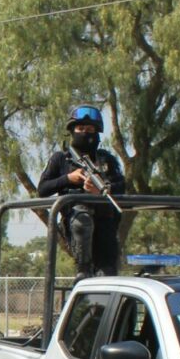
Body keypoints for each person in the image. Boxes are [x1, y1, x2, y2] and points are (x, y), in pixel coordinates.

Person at [37, 104, 126, 280]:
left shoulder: (106, 159)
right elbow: (43, 189)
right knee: (82, 220)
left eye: (90, 129)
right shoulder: (61, 158)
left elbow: (122, 185)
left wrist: (103, 189)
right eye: (81, 128)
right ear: (72, 131)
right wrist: (68, 178)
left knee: (107, 274)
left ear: (97, 133)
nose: (85, 133)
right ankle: (83, 269)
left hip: (105, 222)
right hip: (76, 221)